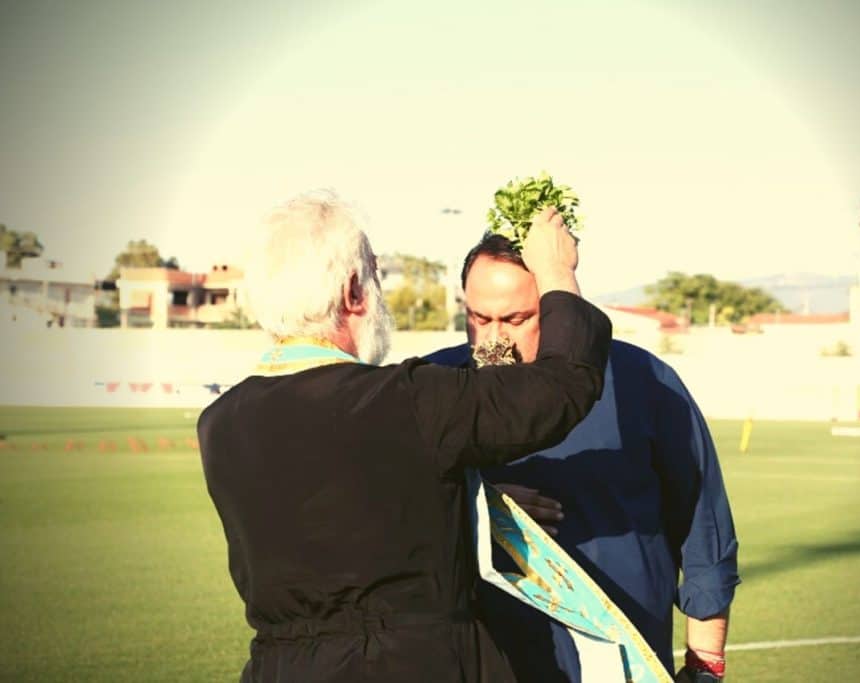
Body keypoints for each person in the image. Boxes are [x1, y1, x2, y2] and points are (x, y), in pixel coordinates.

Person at [198, 190, 612, 683]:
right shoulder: (405, 400)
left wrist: (475, 504)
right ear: (354, 291)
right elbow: (560, 388)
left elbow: (352, 514)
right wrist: (557, 273)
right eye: (374, 273)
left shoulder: (220, 422)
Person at [427, 234, 739, 682]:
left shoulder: (646, 382)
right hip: (482, 663)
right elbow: (374, 518)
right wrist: (473, 507)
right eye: (479, 317)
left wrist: (706, 665)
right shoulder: (432, 386)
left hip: (621, 664)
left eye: (516, 319)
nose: (495, 338)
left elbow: (705, 532)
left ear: (559, 306)